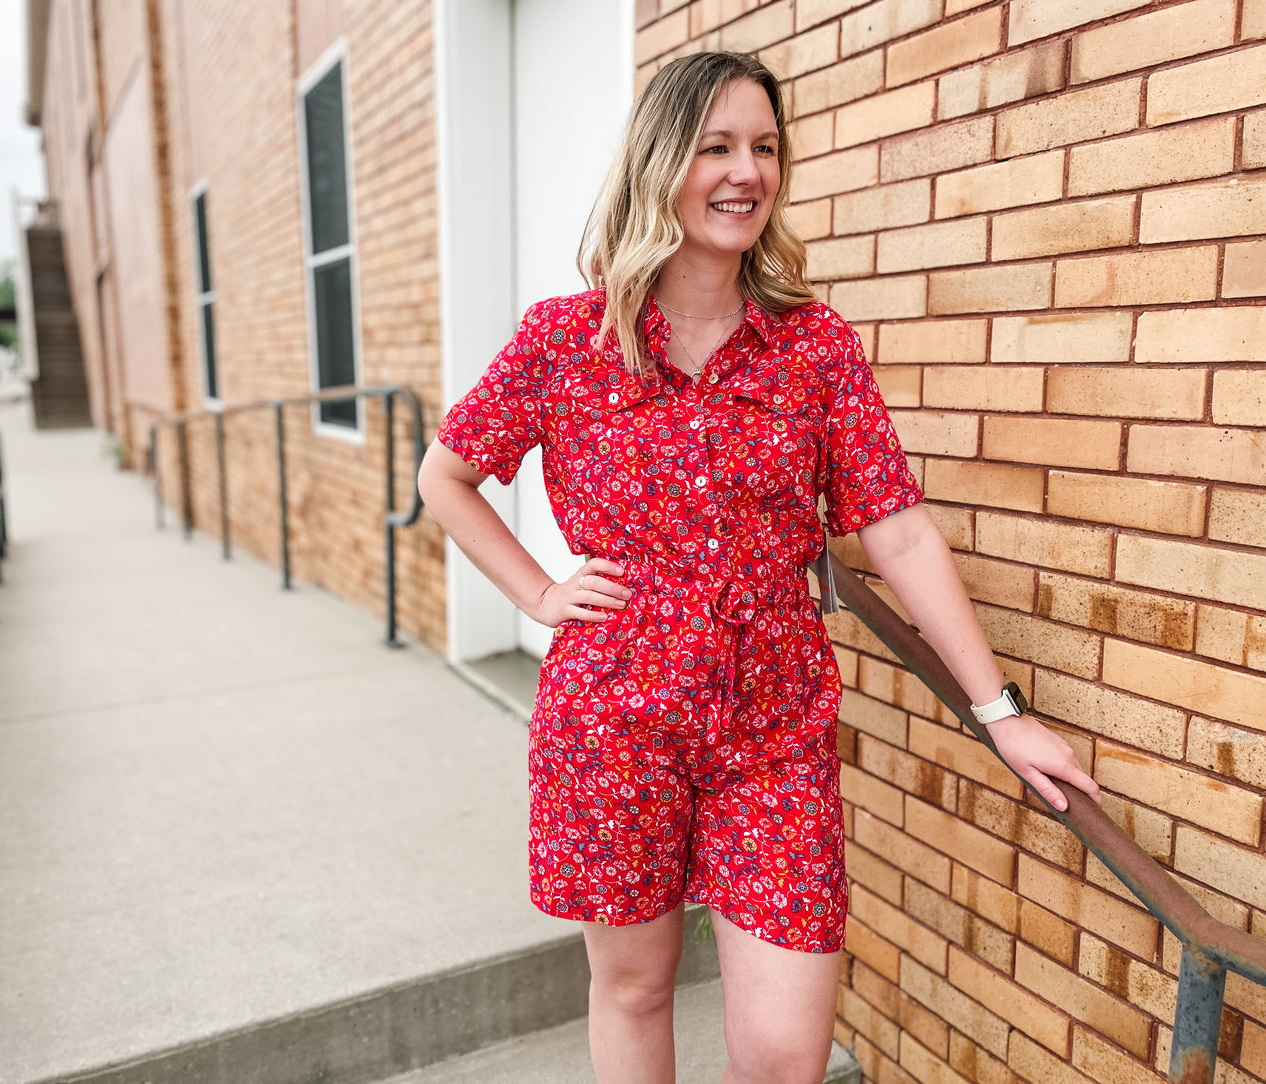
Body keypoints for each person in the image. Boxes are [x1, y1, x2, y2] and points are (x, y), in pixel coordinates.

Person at [417, 50, 1100, 1084]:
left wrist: (999, 712)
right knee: (635, 989)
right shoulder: (565, 339)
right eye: (716, 146)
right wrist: (537, 594)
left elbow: (897, 531)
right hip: (612, 715)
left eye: (764, 148)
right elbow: (446, 476)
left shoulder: (812, 346)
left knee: (783, 1054)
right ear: (659, 164)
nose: (746, 172)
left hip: (772, 727)